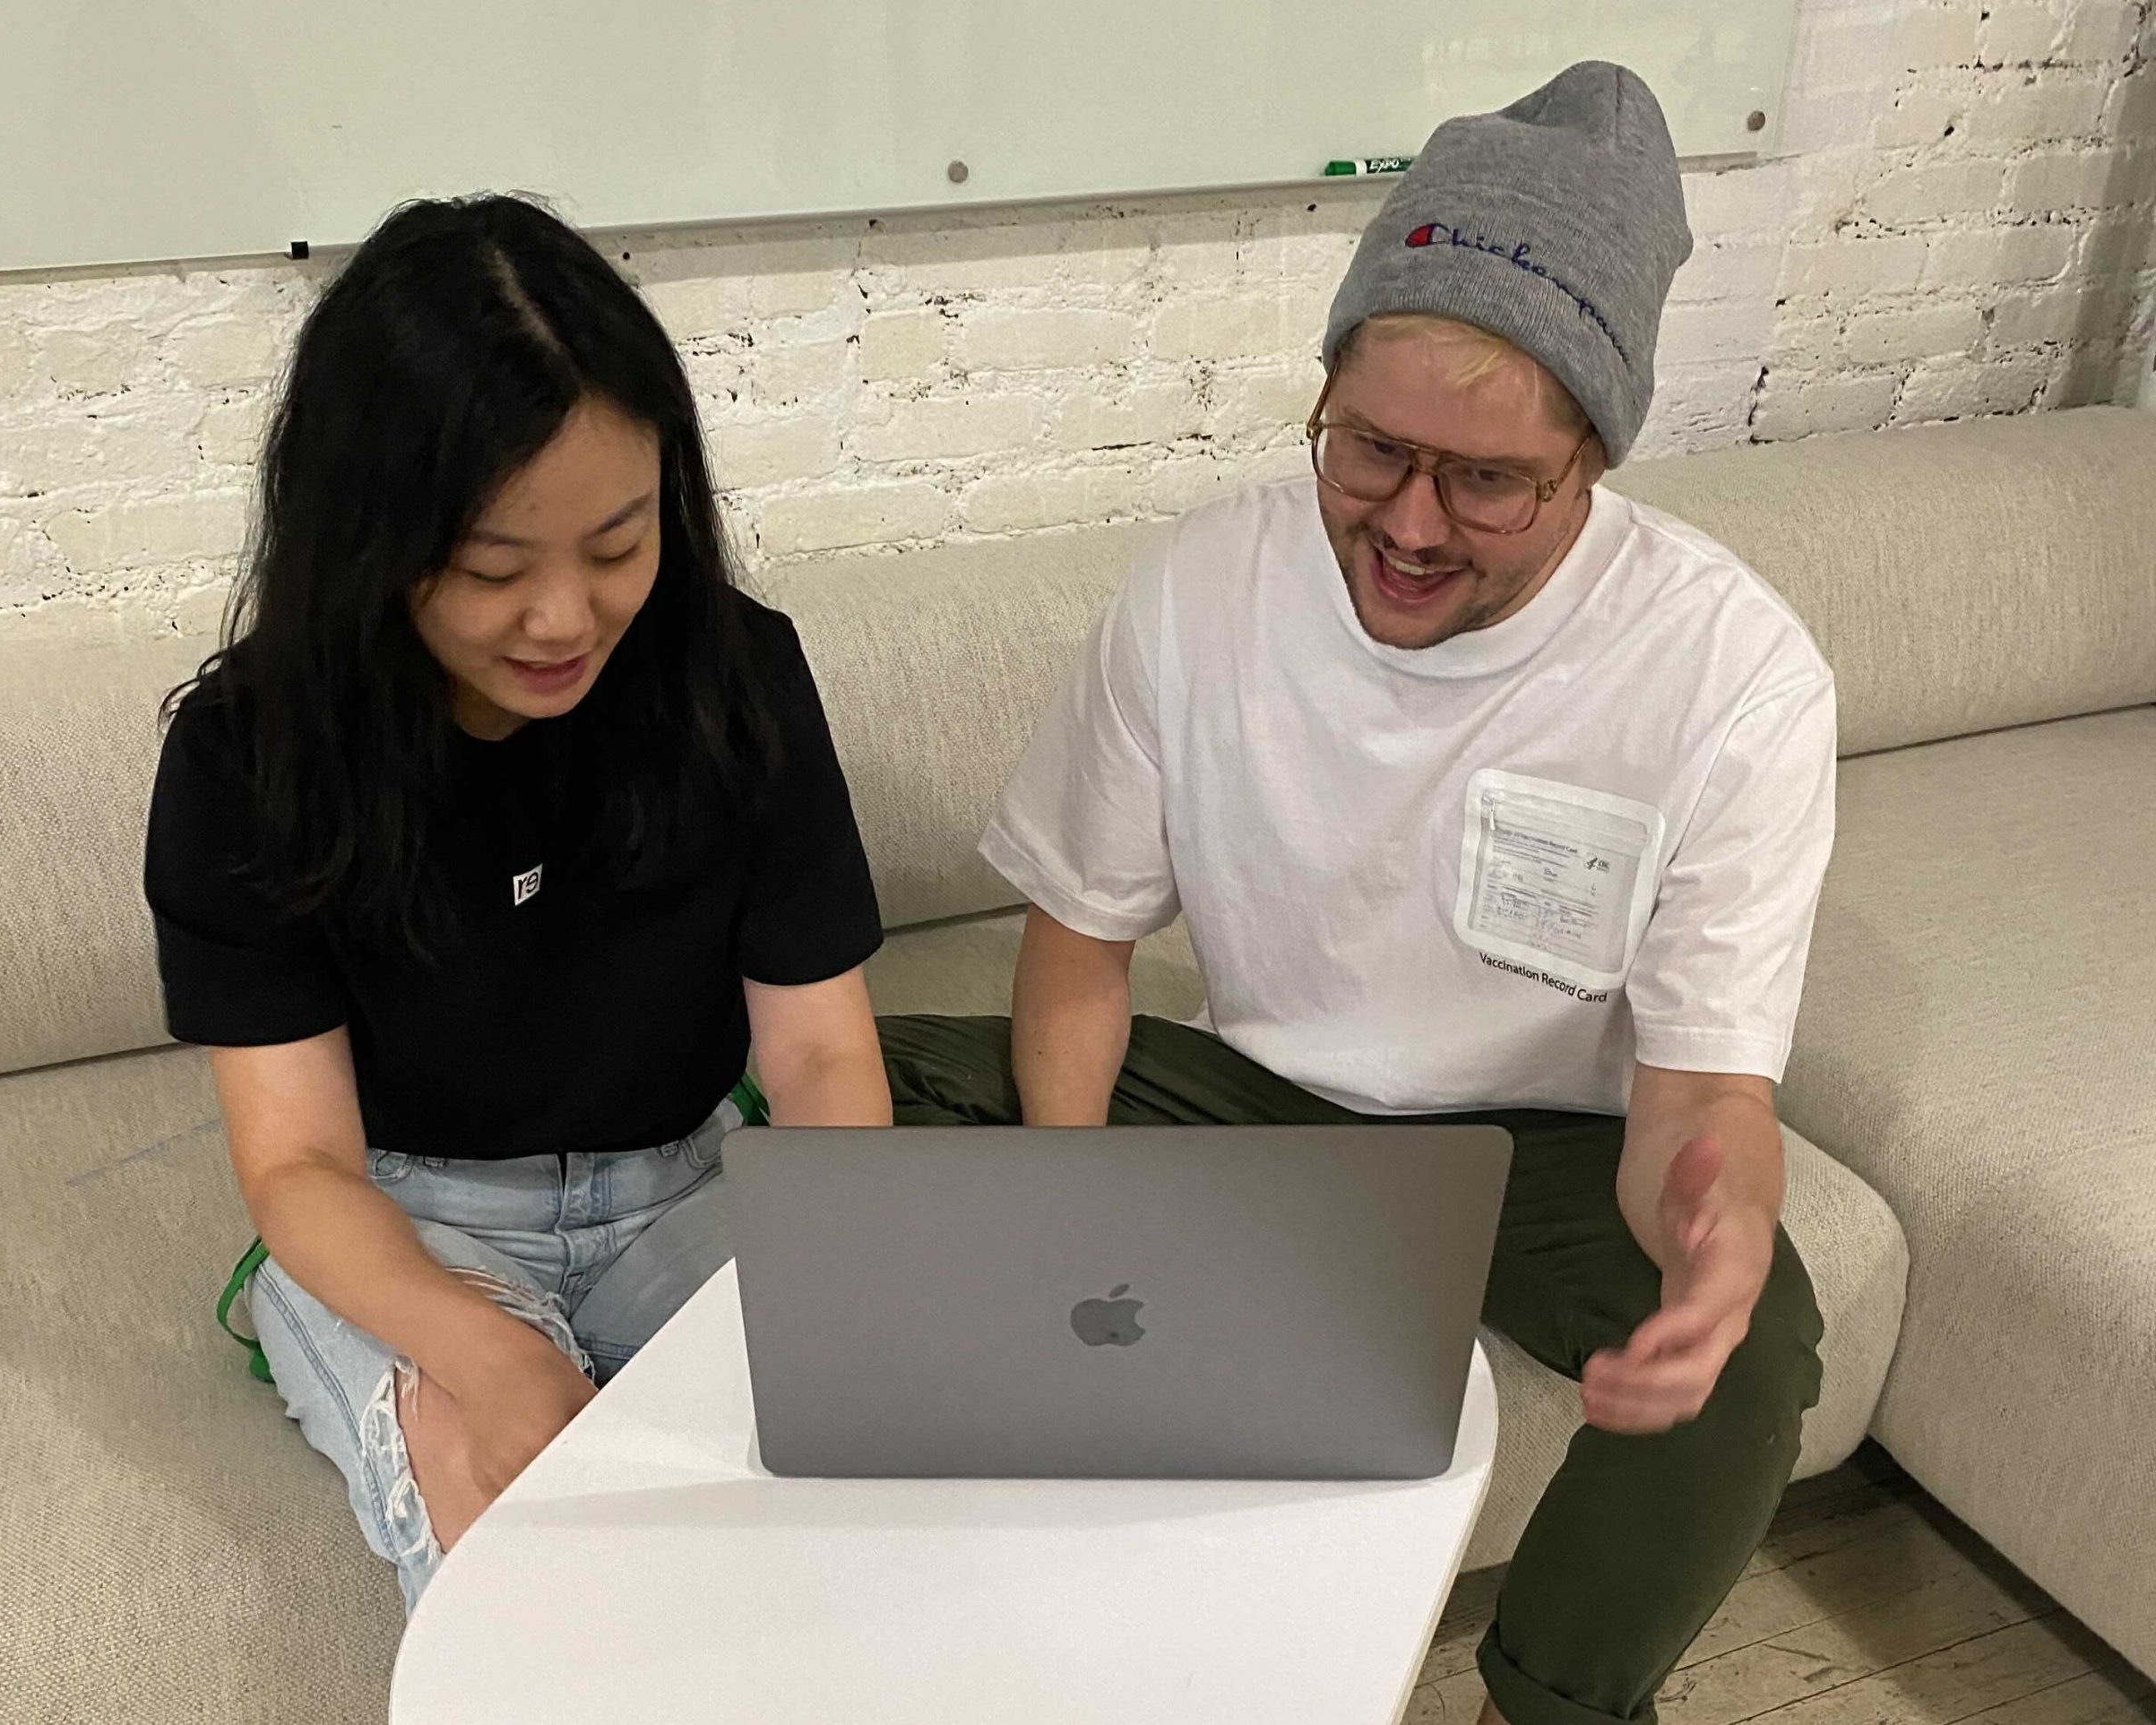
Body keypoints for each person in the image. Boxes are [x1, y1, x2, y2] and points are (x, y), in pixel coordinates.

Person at [881, 63, 1834, 1725]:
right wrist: (1061, 1205)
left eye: (1483, 483)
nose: (1403, 523)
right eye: (1369, 450)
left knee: (1748, 1356)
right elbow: (1082, 949)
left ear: (1593, 459)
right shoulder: (1202, 585)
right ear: (1325, 391)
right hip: (1257, 1104)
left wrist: (1716, 1239)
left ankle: (1547, 1706)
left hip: (1534, 1147)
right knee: (847, 1068)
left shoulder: (1730, 669)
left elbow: (1701, 1094)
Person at [143, 194, 892, 1609]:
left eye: (617, 546)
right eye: (494, 570)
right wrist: (485, 1356)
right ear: (370, 543)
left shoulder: (734, 676)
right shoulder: (251, 757)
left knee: (866, 1510)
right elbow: (299, 1163)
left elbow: (820, 1054)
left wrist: (836, 1295)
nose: (565, 619)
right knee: (533, 1574)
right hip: (408, 1220)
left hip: (689, 1178)